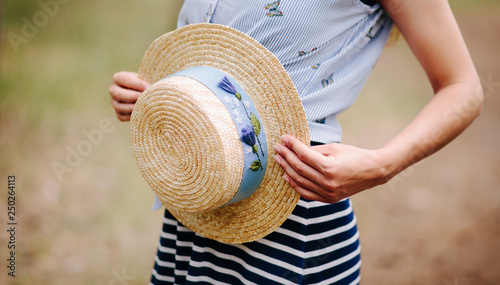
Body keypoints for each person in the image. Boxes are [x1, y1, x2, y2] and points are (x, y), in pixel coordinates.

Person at [109, 0, 482, 284]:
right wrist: (160, 99)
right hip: (198, 206)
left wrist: (383, 165)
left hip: (292, 203)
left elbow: (463, 88)